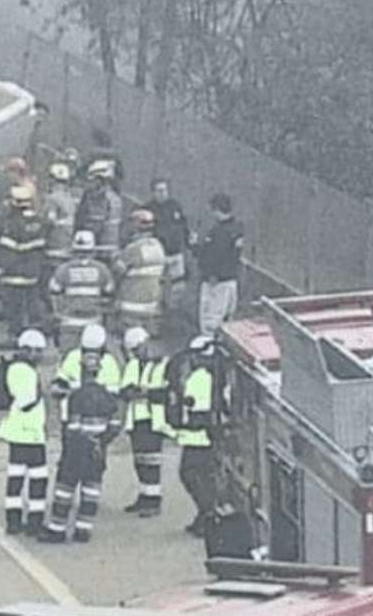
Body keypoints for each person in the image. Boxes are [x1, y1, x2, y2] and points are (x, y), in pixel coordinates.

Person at [39, 353, 122, 544]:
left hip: (77, 452)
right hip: (98, 453)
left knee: (64, 490)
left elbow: (73, 428)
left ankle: (57, 530)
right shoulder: (107, 397)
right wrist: (100, 442)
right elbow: (115, 425)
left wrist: (72, 448)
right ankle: (83, 530)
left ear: (83, 371)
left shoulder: (77, 396)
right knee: (91, 490)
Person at [0, 329, 51, 536]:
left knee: (16, 476)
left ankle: (14, 520)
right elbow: (27, 402)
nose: (40, 355)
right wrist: (39, 394)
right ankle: (35, 521)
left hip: (17, 432)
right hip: (29, 434)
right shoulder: (24, 371)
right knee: (38, 478)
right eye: (37, 351)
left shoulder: (14, 368)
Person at [119, 327, 172, 517]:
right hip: (136, 419)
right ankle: (144, 496)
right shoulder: (133, 365)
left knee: (151, 462)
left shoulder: (162, 365)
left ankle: (153, 500)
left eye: (138, 348)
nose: (136, 353)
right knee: (140, 461)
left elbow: (165, 393)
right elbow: (125, 391)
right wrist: (137, 392)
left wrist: (144, 393)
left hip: (153, 420)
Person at [173, 336, 220, 537]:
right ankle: (205, 515)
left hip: (200, 437)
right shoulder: (210, 375)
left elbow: (198, 411)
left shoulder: (201, 377)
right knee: (201, 478)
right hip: (202, 437)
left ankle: (208, 516)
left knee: (191, 475)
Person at [0, 185, 47, 345]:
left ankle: (15, 337)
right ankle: (33, 336)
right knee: (32, 306)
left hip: (14, 275)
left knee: (14, 308)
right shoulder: (37, 222)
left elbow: (7, 252)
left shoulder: (12, 224)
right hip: (33, 274)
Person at [48, 231, 114, 348]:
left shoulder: (63, 269)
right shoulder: (102, 269)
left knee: (68, 359)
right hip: (94, 321)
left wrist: (58, 315)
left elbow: (54, 293)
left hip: (69, 322)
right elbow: (109, 293)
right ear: (93, 251)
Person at [51, 323, 122, 429]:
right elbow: (57, 387)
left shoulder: (109, 362)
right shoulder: (73, 357)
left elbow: (114, 396)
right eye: (86, 351)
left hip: (99, 420)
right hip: (72, 418)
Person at [193, 193, 244, 338]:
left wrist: (196, 247)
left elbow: (212, 257)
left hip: (216, 283)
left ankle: (208, 354)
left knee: (210, 322)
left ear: (216, 209)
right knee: (227, 322)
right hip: (231, 280)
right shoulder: (237, 228)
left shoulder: (220, 232)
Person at [113, 209, 166, 337]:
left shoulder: (133, 249)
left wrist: (114, 257)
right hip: (151, 306)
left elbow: (117, 272)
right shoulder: (158, 247)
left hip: (131, 307)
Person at [145, 178, 190, 312]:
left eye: (165, 190)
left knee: (178, 286)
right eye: (159, 191)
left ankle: (174, 311)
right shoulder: (148, 210)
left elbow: (183, 226)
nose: (163, 193)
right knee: (158, 284)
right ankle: (157, 309)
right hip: (159, 254)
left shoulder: (175, 206)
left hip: (175, 253)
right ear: (153, 192)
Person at [74, 160, 123, 250]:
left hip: (98, 246)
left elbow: (95, 223)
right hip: (112, 244)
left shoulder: (100, 198)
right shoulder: (115, 197)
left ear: (100, 181)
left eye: (91, 181)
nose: (87, 184)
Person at [42, 160, 79, 262]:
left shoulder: (52, 199)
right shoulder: (70, 198)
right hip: (68, 247)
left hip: (53, 247)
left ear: (52, 179)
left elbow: (49, 221)